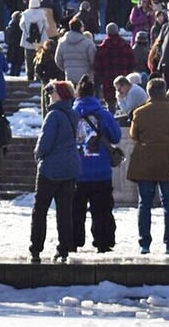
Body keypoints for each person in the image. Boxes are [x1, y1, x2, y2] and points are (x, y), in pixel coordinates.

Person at [128, 76, 169, 256]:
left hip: (146, 162)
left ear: (148, 92)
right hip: (168, 161)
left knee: (145, 204)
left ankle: (145, 243)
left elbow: (134, 136)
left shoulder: (140, 113)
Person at [71, 74, 123, 254]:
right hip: (101, 171)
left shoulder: (71, 114)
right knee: (102, 210)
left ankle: (72, 241)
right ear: (95, 93)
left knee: (75, 210)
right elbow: (116, 136)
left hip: (76, 170)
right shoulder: (103, 114)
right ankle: (103, 241)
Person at [31, 80, 81, 263]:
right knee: (65, 211)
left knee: (40, 210)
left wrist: (38, 155)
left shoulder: (53, 116)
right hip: (70, 167)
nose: (50, 95)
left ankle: (36, 248)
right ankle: (64, 248)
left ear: (59, 95)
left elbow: (45, 143)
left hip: (50, 169)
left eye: (53, 92)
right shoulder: (73, 114)